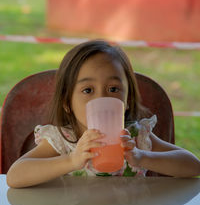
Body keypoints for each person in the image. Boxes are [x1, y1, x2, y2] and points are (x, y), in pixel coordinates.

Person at [6, 40, 200, 188]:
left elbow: (193, 166)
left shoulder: (135, 138)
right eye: (88, 90)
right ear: (67, 102)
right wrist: (71, 161)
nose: (101, 98)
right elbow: (15, 176)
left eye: (114, 89)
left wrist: (142, 157)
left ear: (127, 100)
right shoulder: (63, 141)